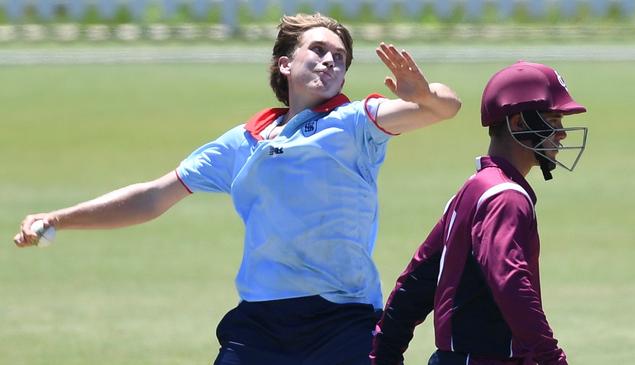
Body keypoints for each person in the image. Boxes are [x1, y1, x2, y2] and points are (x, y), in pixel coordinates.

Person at [13, 13, 461, 365]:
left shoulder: (357, 122)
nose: (330, 60)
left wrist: (421, 92)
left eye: (339, 58)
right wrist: (59, 218)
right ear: (285, 64)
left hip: (343, 321)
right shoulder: (241, 142)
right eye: (319, 50)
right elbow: (153, 196)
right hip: (261, 324)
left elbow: (445, 108)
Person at [370, 61, 588, 365]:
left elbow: (417, 280)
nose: (562, 134)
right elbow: (511, 283)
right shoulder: (506, 197)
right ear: (519, 124)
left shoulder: (475, 188)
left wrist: (384, 352)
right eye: (553, 119)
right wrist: (552, 358)